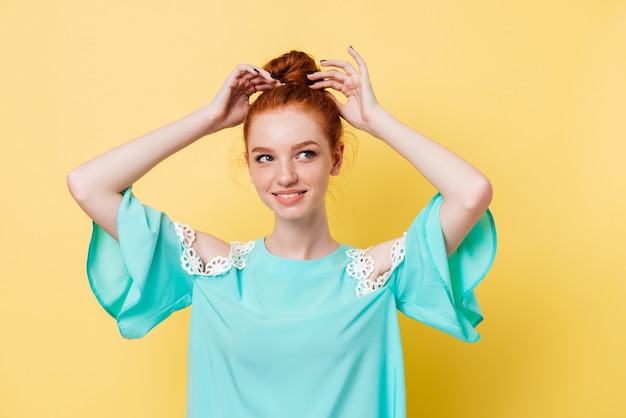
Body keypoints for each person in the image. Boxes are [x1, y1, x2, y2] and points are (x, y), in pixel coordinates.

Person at [67, 47, 496, 418]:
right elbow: (88, 184)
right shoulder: (213, 272)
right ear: (250, 167)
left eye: (305, 153)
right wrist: (209, 117)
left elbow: (471, 193)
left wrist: (377, 120)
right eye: (265, 157)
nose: (286, 176)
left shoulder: (377, 277)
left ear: (336, 158)